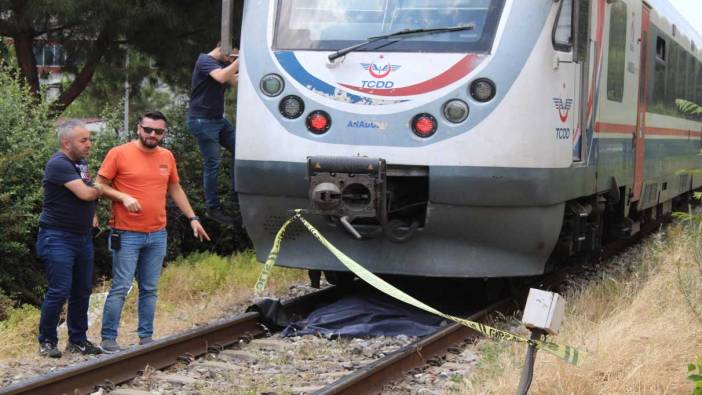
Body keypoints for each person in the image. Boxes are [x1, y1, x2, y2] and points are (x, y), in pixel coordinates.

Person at [96, 111, 210, 353]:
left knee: (149, 288)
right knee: (121, 286)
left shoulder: (166, 156)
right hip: (126, 233)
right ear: (139, 128)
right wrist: (123, 196)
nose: (152, 134)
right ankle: (108, 339)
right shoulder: (119, 153)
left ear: (163, 134)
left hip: (157, 233)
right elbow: (99, 185)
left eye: (158, 131)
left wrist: (193, 218)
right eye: (148, 129)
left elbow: (175, 188)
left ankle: (146, 337)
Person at [36, 120, 103, 358]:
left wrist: (93, 211)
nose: (89, 144)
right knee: (59, 290)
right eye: (83, 140)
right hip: (57, 237)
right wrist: (101, 188)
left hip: (82, 237)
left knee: (82, 290)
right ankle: (46, 341)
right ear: (67, 142)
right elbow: (87, 192)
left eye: (89, 139)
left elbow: (87, 191)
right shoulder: (58, 164)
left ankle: (77, 340)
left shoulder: (80, 163)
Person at [187, 42, 240, 225]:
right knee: (213, 163)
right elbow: (221, 77)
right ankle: (213, 207)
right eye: (233, 54)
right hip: (202, 120)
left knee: (240, 150)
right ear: (223, 47)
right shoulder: (205, 60)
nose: (233, 58)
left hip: (218, 119)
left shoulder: (223, 65)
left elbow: (234, 81)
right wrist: (240, 61)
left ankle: (236, 195)